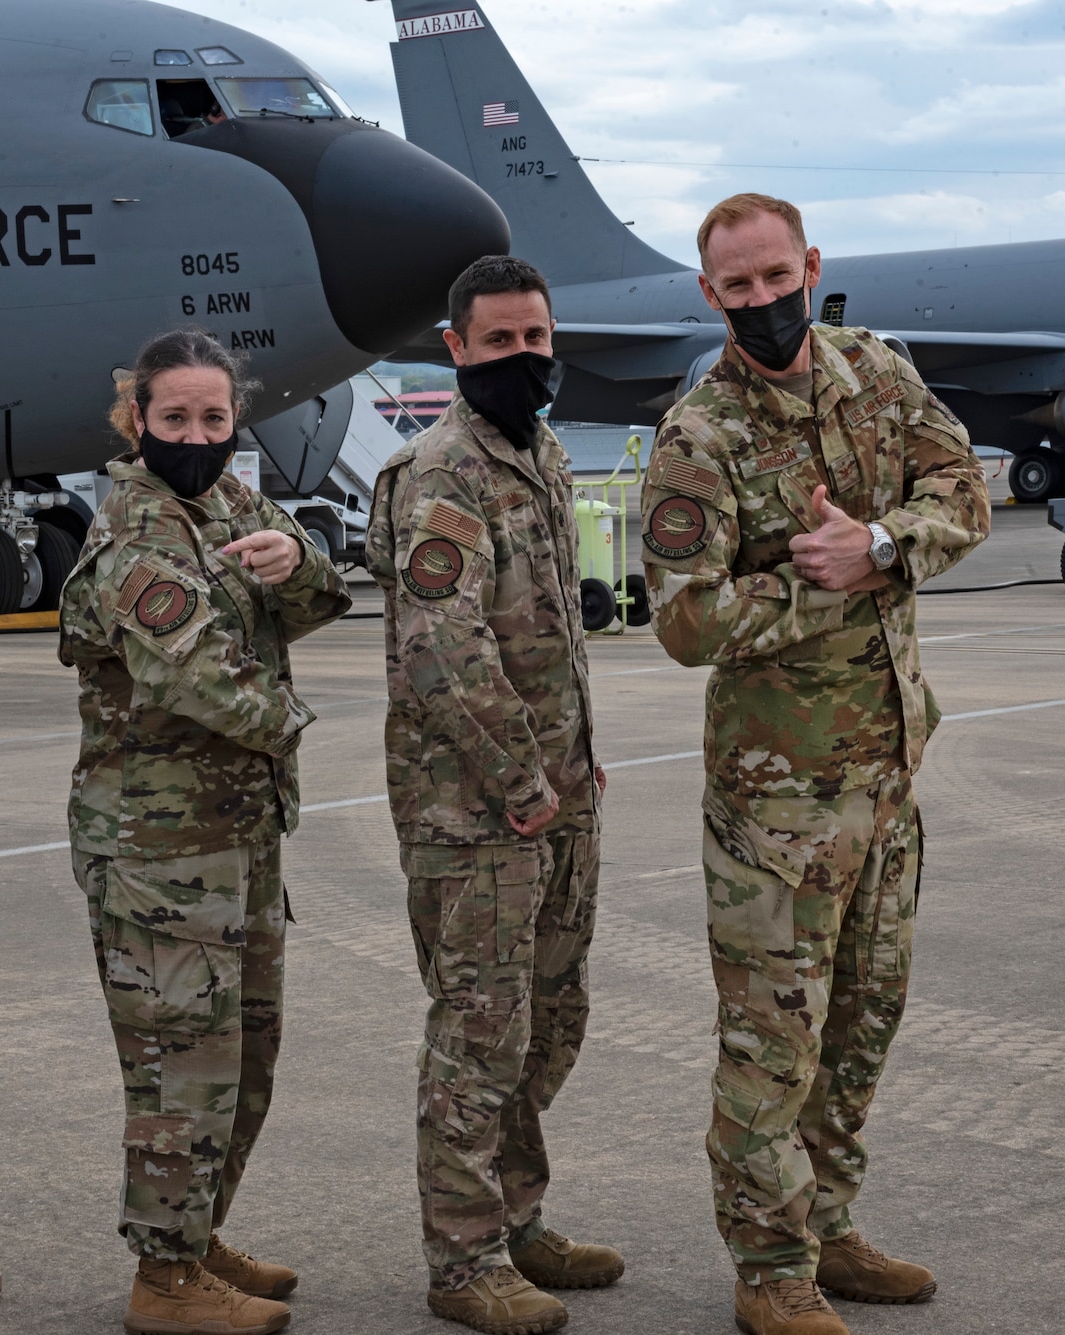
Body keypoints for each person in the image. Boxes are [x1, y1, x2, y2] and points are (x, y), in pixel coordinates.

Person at [637, 193, 990, 1335]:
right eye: (736, 286)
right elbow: (684, 621)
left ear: (810, 266)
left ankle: (828, 1225)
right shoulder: (698, 434)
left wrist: (881, 544)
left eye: (775, 276)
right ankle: (767, 1269)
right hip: (776, 807)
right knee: (768, 1046)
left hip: (886, 778)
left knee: (861, 1022)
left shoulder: (871, 374)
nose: (763, 301)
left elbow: (963, 490)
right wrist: (815, 580)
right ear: (709, 295)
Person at [57, 328, 351, 1335]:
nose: (195, 433)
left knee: (244, 1058)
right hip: (157, 853)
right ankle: (163, 1280)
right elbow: (194, 677)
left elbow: (317, 601)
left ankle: (197, 1232)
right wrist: (302, 730)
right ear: (136, 421)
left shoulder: (226, 504)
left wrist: (294, 554)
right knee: (180, 1070)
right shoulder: (136, 533)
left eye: (213, 418)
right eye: (174, 417)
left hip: (237, 840)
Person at [368, 256, 621, 1335]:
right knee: (478, 1033)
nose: (524, 359)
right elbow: (441, 644)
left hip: (556, 798)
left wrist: (574, 764)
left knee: (547, 1020)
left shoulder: (541, 454)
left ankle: (515, 1220)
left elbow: (549, 631)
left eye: (535, 340)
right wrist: (520, 777)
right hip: (473, 812)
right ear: (454, 348)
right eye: (500, 343)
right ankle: (462, 1260)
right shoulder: (441, 474)